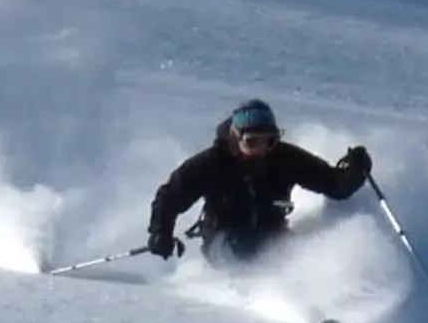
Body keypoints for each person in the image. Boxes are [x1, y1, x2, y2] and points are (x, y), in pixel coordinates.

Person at [147, 99, 371, 262]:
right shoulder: (212, 163)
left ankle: (320, 310)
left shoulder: (285, 158)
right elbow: (170, 196)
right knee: (241, 253)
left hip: (273, 235)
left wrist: (356, 171)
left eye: (270, 141)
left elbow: (334, 185)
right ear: (236, 137)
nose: (262, 150)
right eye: (253, 142)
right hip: (223, 240)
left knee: (299, 257)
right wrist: (161, 233)